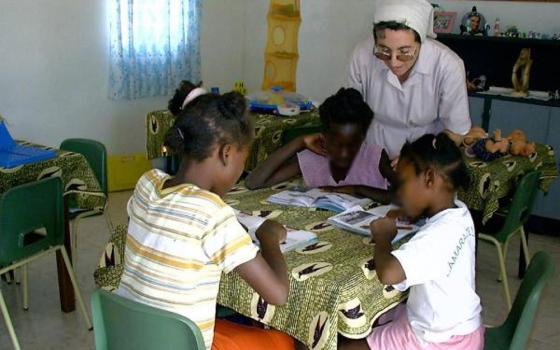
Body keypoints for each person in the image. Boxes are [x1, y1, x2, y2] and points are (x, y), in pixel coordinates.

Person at [116, 88, 295, 350]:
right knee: (282, 342)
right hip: (178, 345)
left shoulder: (147, 183)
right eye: (242, 163)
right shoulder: (212, 214)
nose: (239, 173)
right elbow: (278, 294)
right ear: (227, 153)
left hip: (130, 336)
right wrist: (269, 239)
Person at [340, 133, 484, 350]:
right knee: (376, 316)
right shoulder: (458, 213)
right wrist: (413, 211)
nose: (399, 193)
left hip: (438, 341)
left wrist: (382, 238)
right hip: (460, 329)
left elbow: (389, 273)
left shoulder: (440, 235)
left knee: (344, 346)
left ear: (429, 178)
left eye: (403, 184)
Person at [348, 0, 472, 160]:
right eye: (384, 51)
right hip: (373, 150)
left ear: (421, 43)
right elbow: (352, 113)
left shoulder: (448, 66)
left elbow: (456, 132)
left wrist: (416, 158)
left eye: (404, 52)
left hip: (426, 156)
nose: (394, 62)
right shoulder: (362, 55)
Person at [245, 88, 395, 203]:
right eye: (336, 144)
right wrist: (300, 141)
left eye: (352, 145)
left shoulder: (374, 157)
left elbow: (404, 195)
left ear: (362, 138)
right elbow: (254, 182)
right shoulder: (314, 157)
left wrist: (356, 189)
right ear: (324, 136)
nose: (344, 152)